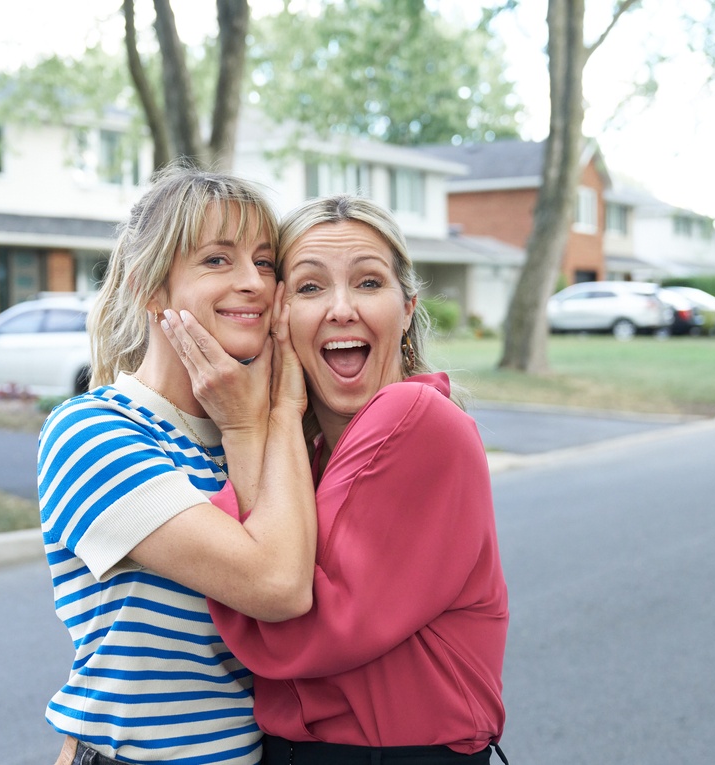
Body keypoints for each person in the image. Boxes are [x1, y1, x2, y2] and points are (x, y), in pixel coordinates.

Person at [199, 195, 510, 764]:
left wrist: (251, 427)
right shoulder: (305, 453)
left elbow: (288, 626)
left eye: (368, 283)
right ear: (279, 317)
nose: (341, 309)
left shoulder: (417, 418)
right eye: (310, 288)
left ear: (408, 306)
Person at [36, 165, 316, 765]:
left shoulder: (261, 432)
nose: (255, 285)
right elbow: (277, 587)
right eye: (217, 260)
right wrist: (266, 419)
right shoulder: (93, 433)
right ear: (150, 287)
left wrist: (263, 421)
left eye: (265, 263)